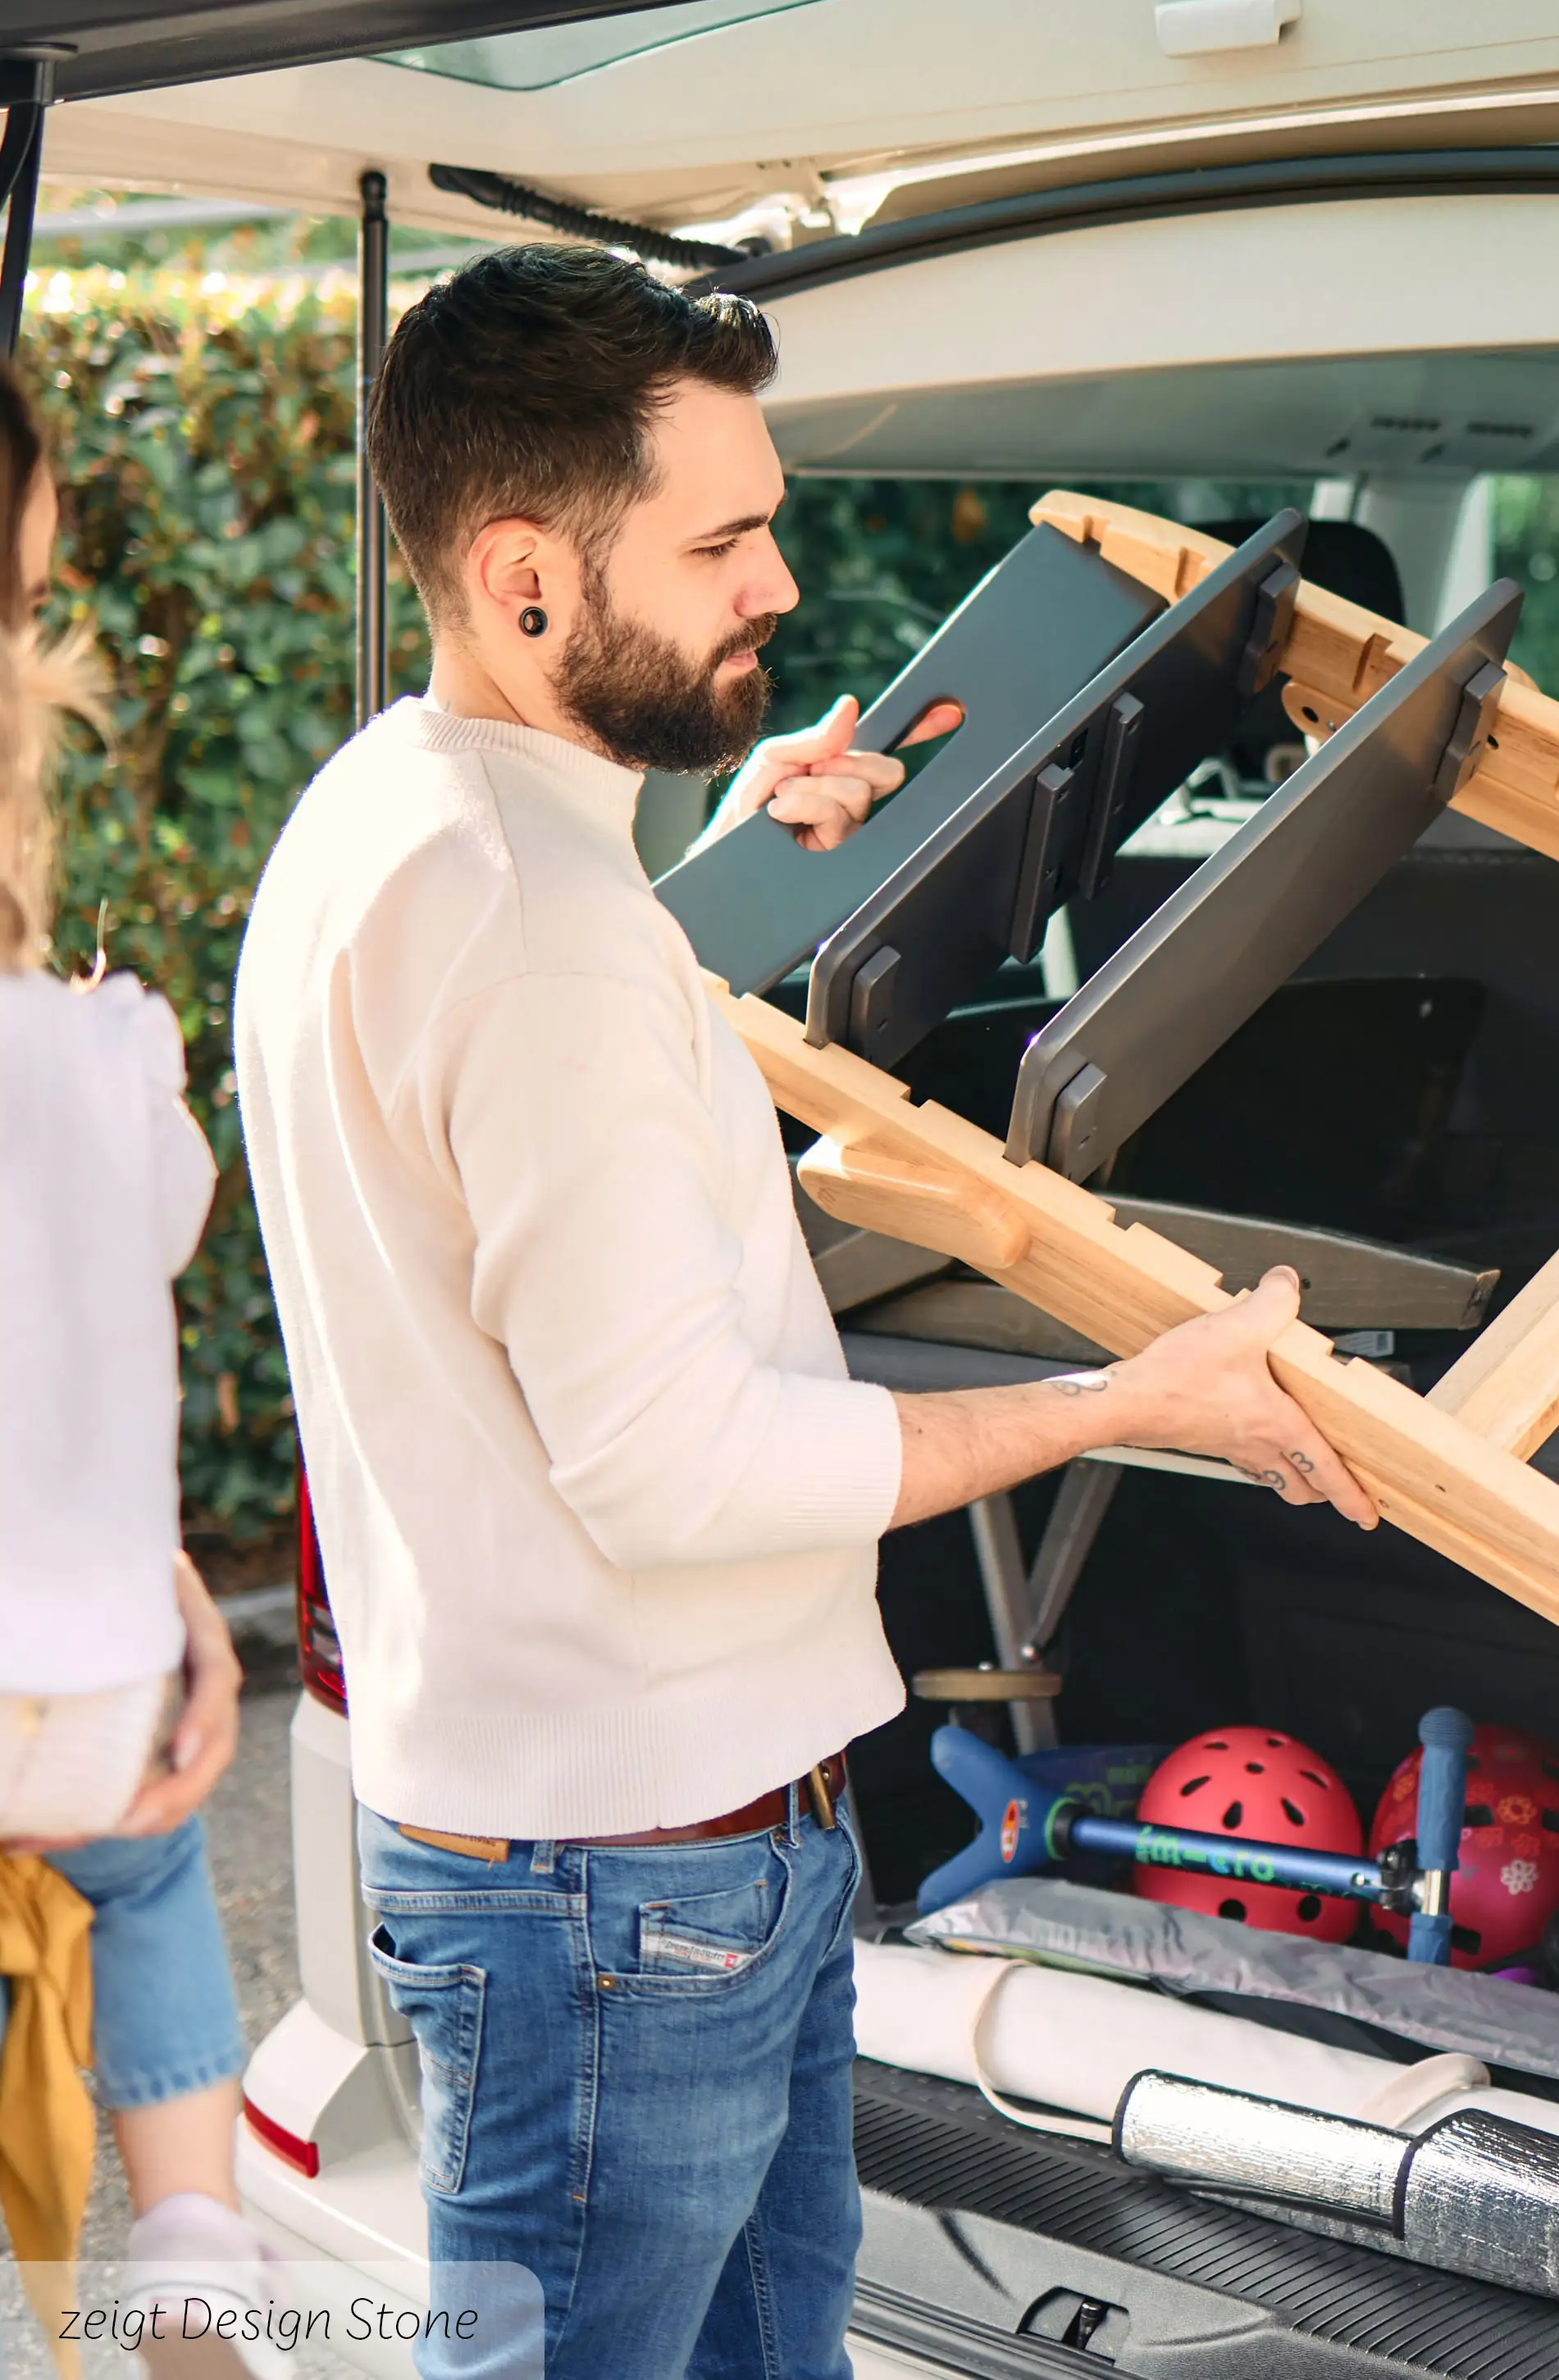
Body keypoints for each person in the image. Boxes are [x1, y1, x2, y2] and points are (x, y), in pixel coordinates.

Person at [232, 243, 1374, 2380]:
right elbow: (682, 1476)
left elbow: (532, 1072)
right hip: (632, 1898)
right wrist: (1140, 1395)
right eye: (725, 539)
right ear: (527, 577)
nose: (777, 583)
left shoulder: (399, 821)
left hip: (602, 1858)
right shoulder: (538, 926)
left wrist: (734, 875)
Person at [0, 357, 271, 2373]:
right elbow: (151, 1232)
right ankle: (196, 2268)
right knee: (153, 1880)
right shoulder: (95, 1052)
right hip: (98, 1678)